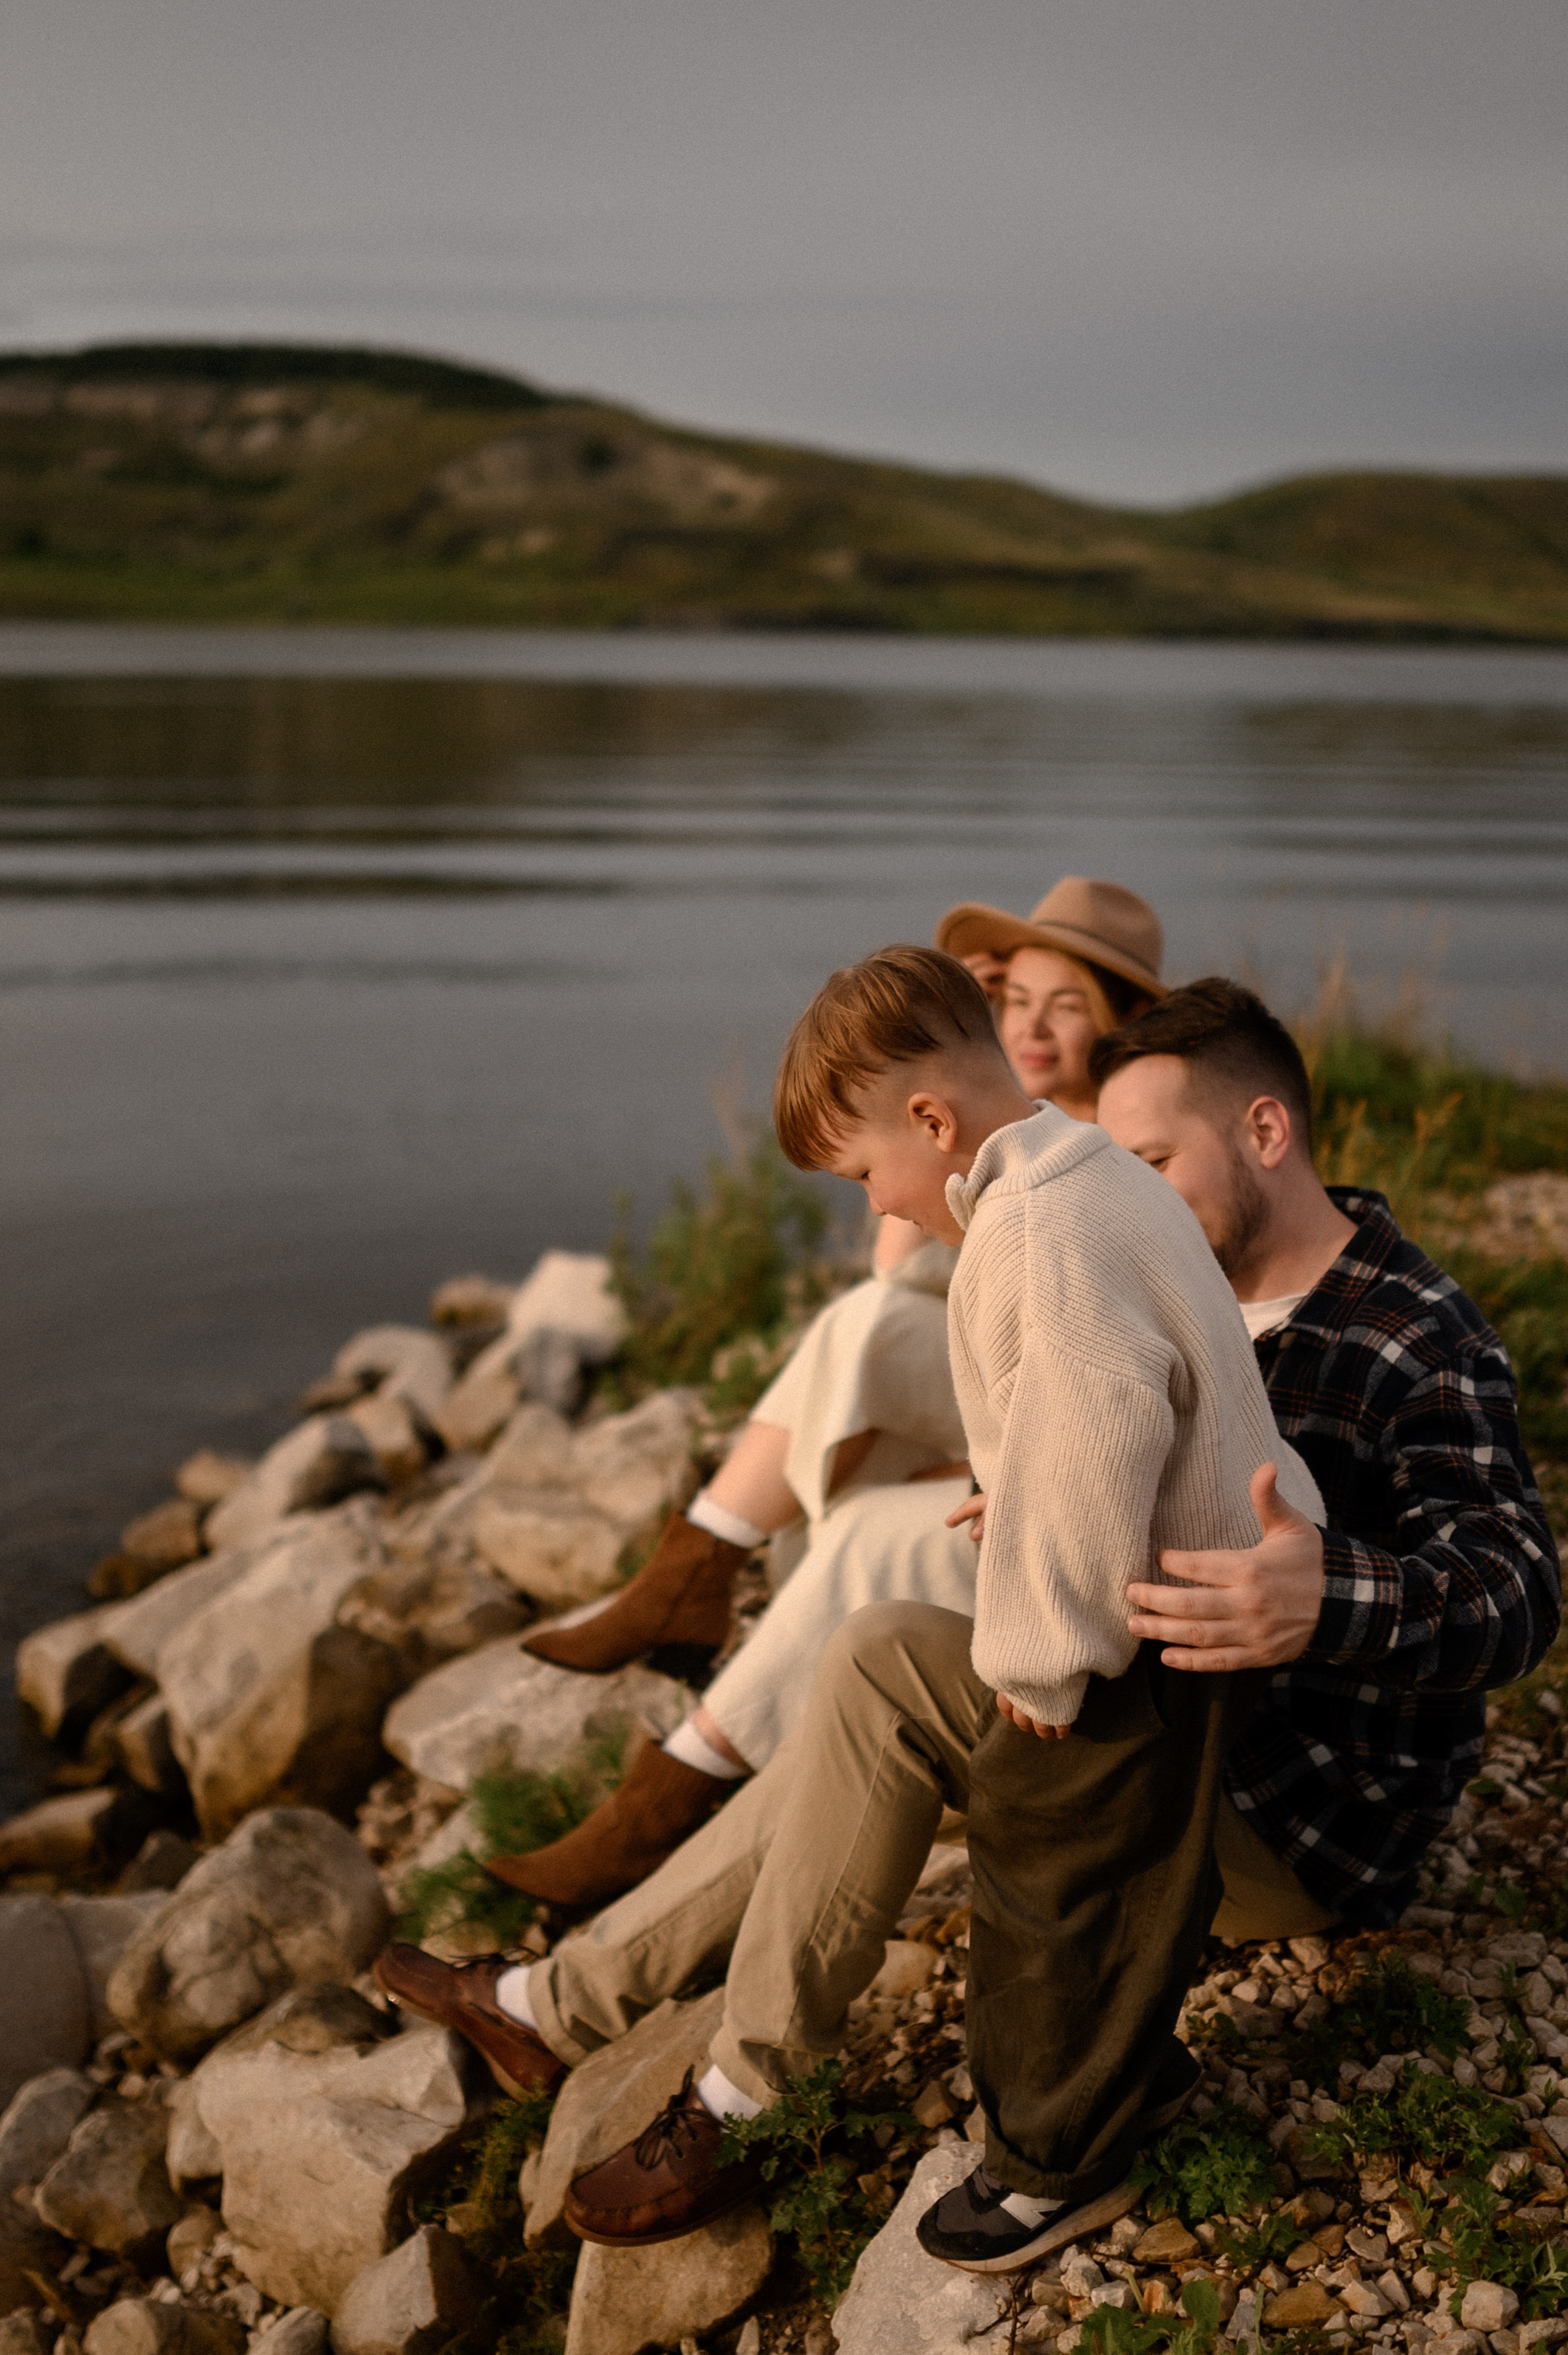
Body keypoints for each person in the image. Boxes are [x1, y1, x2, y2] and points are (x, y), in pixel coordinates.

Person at [376, 953, 1330, 2264]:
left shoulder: (1040, 1227)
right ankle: (663, 2040)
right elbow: (1122, 1413)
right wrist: (1018, 1501)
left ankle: (1051, 2160)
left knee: (1044, 1902)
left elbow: (1097, 1425)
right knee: (876, 1659)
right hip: (1157, 1619)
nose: (868, 1202)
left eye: (862, 1172)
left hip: (1158, 1673)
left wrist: (1039, 1662)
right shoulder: (1081, 1172)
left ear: (932, 1123)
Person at [481, 880, 1163, 1906]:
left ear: (1121, 1019)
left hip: (1070, 1473)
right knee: (868, 1363)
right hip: (991, 1397)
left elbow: (1100, 1393)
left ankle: (686, 1716)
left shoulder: (1106, 1145)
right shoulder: (980, 1133)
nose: (1028, 1023)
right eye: (1012, 998)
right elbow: (897, 1257)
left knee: (861, 1409)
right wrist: (937, 1061)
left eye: (1062, 1005)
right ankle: (709, 1672)